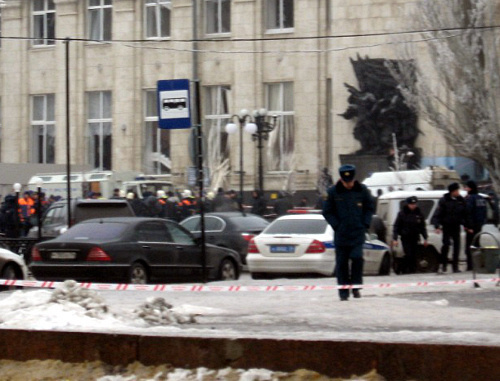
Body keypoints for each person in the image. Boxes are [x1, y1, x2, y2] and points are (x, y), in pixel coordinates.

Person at [322, 164, 374, 301]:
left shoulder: (362, 190)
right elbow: (327, 211)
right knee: (342, 263)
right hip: (341, 234)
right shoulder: (333, 192)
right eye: (346, 182)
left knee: (357, 258)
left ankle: (356, 287)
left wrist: (365, 223)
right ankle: (343, 292)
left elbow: (369, 208)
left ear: (353, 179)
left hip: (357, 232)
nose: (348, 184)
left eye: (350, 181)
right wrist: (336, 225)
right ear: (342, 180)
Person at [432, 182, 466, 273]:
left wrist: (466, 224)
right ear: (452, 191)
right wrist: (437, 225)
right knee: (446, 245)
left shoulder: (460, 200)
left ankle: (455, 267)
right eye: (457, 190)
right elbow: (438, 214)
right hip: (446, 226)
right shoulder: (444, 200)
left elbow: (464, 214)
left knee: (457, 247)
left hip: (456, 226)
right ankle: (444, 265)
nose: (458, 192)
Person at [392, 196, 428, 274]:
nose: (413, 205)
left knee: (414, 254)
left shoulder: (419, 213)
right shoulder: (402, 213)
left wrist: (425, 238)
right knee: (408, 253)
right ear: (408, 204)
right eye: (411, 204)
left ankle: (412, 269)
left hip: (415, 237)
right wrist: (395, 238)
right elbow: (397, 226)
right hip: (405, 237)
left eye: (414, 204)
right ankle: (404, 269)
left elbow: (422, 227)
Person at [464, 180, 487, 271]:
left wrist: (469, 227)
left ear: (470, 188)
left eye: (467, 187)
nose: (465, 189)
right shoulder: (481, 198)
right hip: (479, 226)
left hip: (472, 227)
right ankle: (477, 265)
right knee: (477, 246)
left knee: (470, 247)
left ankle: (470, 266)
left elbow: (468, 213)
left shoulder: (470, 199)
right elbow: (484, 213)